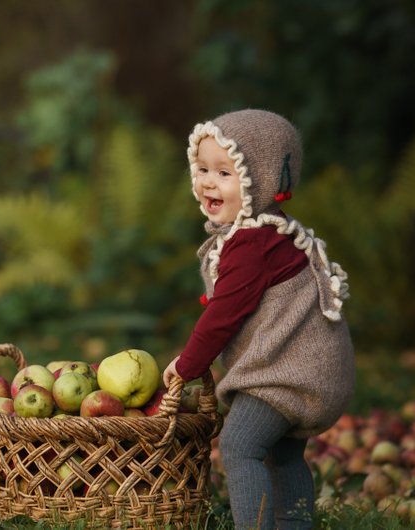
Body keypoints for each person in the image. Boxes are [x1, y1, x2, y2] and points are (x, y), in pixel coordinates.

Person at [162, 109, 355, 530]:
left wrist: (187, 365)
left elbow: (223, 316)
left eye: (225, 172)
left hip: (287, 375)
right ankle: (294, 524)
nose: (208, 181)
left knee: (239, 445)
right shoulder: (268, 232)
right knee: (282, 454)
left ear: (262, 180)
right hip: (314, 370)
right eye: (202, 169)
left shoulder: (252, 244)